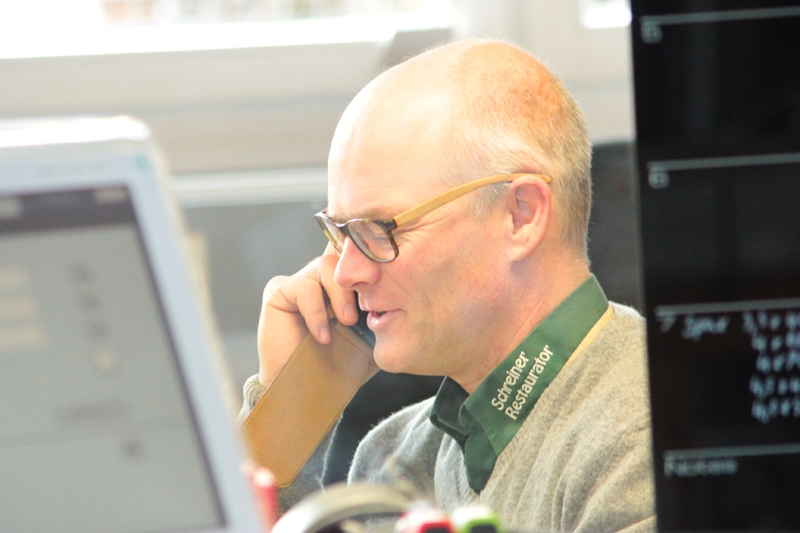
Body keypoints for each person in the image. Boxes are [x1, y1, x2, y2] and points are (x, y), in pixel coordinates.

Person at [239, 39, 656, 532]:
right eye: (342, 233)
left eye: (381, 229)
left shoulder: (647, 440)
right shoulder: (394, 459)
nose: (346, 273)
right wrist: (288, 415)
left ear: (521, 216)